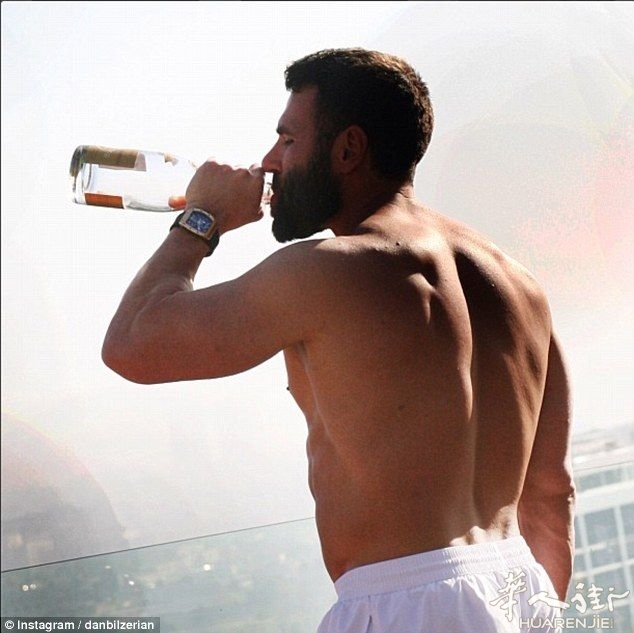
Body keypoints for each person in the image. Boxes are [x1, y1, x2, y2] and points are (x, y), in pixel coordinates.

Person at [102, 48, 576, 632]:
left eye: (288, 140)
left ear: (348, 149)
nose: (269, 161)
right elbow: (551, 493)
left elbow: (131, 344)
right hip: (518, 590)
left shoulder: (328, 269)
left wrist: (202, 219)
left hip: (405, 606)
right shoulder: (520, 285)